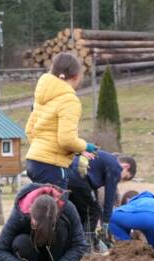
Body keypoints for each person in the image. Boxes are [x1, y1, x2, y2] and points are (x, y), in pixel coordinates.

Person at [25, 53, 97, 189]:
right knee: (57, 208)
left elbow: (29, 130)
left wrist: (41, 149)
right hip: (52, 165)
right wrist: (84, 146)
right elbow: (66, 140)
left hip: (33, 161)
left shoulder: (42, 97)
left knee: (41, 207)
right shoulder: (69, 100)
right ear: (76, 76)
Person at [0, 183, 87, 261]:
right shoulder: (20, 214)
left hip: (56, 254)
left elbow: (79, 245)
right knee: (20, 242)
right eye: (35, 226)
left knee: (62, 229)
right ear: (31, 215)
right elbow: (0, 250)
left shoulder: (68, 209)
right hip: (32, 253)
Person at [65, 151, 136, 248]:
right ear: (126, 166)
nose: (120, 180)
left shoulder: (104, 157)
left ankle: (71, 243)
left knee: (78, 212)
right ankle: (85, 247)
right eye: (125, 177)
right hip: (80, 179)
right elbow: (109, 196)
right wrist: (106, 222)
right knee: (93, 212)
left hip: (68, 176)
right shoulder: (116, 167)